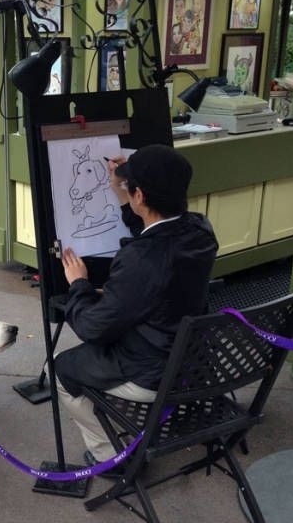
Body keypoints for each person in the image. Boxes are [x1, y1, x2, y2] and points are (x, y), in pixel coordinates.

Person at [54, 144, 218, 474]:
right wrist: (121, 190)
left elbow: (93, 328)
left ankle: (110, 456)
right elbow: (158, 233)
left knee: (61, 368)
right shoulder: (201, 230)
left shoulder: (141, 259)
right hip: (195, 360)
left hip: (152, 371)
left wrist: (79, 284)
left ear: (140, 196)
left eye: (131, 188)